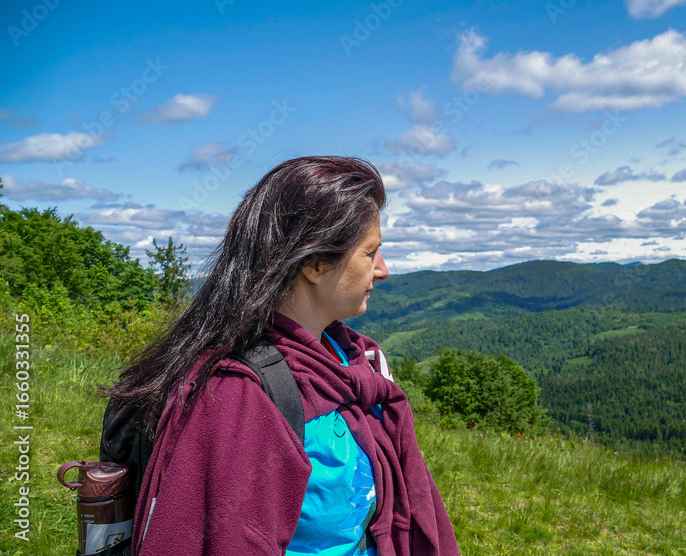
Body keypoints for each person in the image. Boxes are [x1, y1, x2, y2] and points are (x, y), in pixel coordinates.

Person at [106, 156, 458, 555]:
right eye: (370, 252)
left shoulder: (348, 357)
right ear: (315, 263)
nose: (384, 269)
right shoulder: (240, 397)